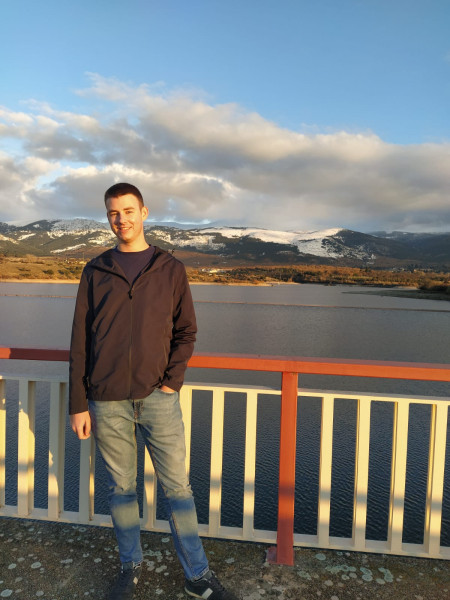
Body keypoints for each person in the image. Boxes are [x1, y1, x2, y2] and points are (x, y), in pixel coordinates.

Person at [69, 183, 238, 600]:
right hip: (106, 400)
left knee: (178, 490)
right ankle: (130, 568)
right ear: (108, 217)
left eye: (128, 211)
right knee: (122, 491)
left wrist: (170, 383)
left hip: (158, 399)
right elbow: (79, 342)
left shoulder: (170, 269)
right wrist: (78, 403)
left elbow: (186, 331)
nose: (121, 219)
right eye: (113, 213)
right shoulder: (95, 270)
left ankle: (197, 576)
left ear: (144, 212)